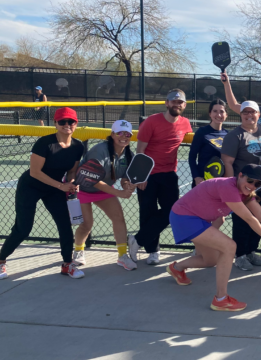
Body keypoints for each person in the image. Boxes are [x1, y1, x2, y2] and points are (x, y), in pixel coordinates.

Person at [167, 164, 261, 311]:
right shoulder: (228, 187)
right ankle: (220, 299)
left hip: (200, 219)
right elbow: (250, 219)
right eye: (250, 180)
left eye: (257, 184)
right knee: (229, 246)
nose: (252, 186)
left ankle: (176, 268)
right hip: (185, 217)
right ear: (240, 175)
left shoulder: (246, 193)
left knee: (210, 260)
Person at [0, 107, 84, 279]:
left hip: (54, 189)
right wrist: (61, 186)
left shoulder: (77, 146)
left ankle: (67, 264)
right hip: (30, 186)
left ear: (76, 124)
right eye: (62, 122)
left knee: (64, 225)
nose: (67, 125)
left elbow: (72, 171)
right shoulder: (44, 143)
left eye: (71, 122)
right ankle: (1, 260)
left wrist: (72, 182)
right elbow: (35, 172)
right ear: (55, 123)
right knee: (23, 228)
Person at [127, 89, 192, 265]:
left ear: (184, 105)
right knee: (147, 212)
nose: (177, 105)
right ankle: (153, 251)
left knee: (172, 211)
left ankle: (137, 241)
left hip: (169, 174)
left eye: (180, 102)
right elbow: (140, 151)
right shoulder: (151, 122)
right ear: (167, 103)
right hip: (148, 175)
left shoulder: (186, 123)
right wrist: (141, 176)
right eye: (173, 101)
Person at [73, 120, 138, 271]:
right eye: (120, 133)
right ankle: (78, 251)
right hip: (83, 188)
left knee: (119, 218)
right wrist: (120, 193)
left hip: (104, 188)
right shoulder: (99, 151)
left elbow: (124, 177)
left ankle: (122, 256)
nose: (124, 136)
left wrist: (127, 186)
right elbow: (91, 180)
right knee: (87, 225)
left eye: (127, 133)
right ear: (112, 134)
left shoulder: (128, 154)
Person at [221, 101, 261, 271]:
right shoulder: (234, 136)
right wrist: (231, 189)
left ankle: (251, 251)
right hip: (244, 189)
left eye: (253, 112)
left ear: (259, 114)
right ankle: (240, 255)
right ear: (241, 115)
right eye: (245, 112)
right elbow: (228, 163)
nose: (249, 115)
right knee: (243, 221)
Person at [188, 99, 228, 187]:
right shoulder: (202, 132)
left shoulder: (228, 135)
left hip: (221, 182)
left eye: (222, 111)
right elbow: (192, 157)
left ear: (226, 114)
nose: (218, 115)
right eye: (215, 111)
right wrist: (196, 177)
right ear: (210, 113)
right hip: (203, 182)